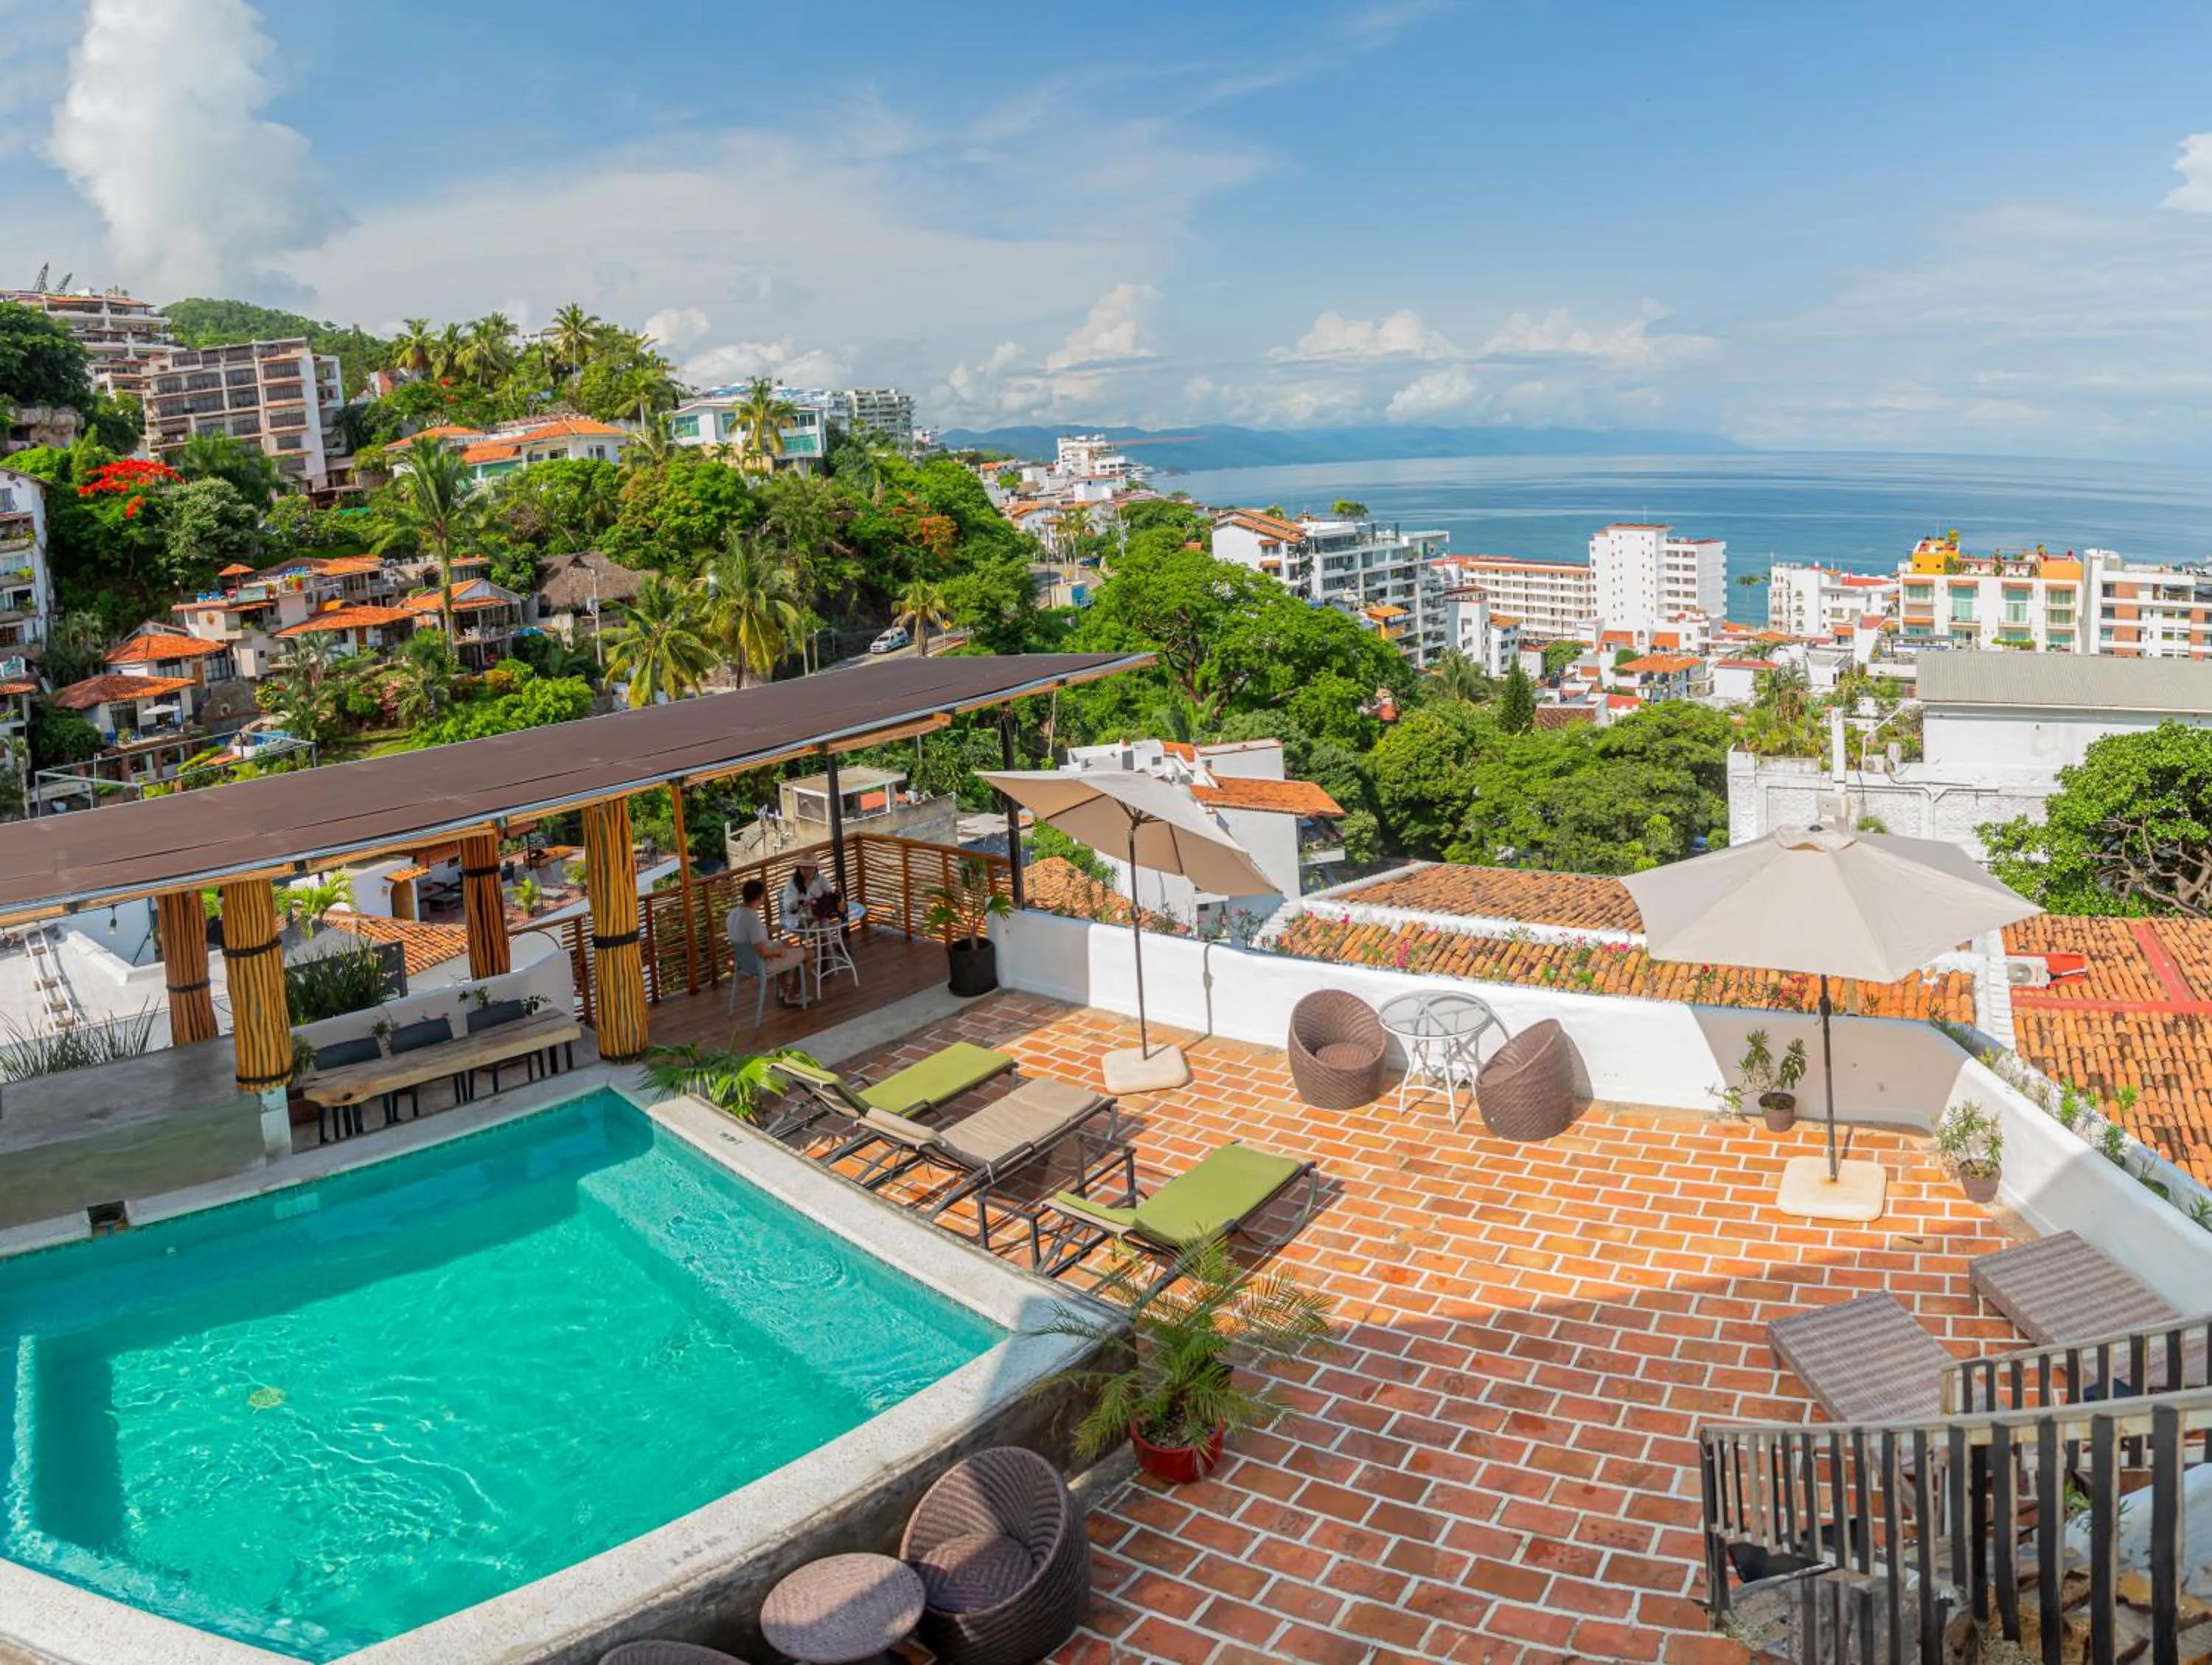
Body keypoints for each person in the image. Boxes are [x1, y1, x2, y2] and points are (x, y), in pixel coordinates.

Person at [728, 877, 806, 1006]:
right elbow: (764, 953)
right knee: (809, 954)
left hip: (746, 963)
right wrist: (779, 953)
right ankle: (792, 996)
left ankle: (784, 990)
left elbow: (752, 935)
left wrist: (776, 928)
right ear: (761, 897)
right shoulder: (752, 919)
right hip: (761, 964)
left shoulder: (734, 915)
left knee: (786, 943)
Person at [779, 860, 831, 928]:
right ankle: (822, 935)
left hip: (819, 914)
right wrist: (800, 903)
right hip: (798, 917)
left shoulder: (821, 879)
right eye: (804, 868)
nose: (808, 871)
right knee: (818, 923)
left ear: (816, 868)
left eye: (811, 868)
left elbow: (830, 895)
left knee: (823, 919)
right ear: (799, 869)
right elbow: (788, 904)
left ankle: (823, 936)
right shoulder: (792, 881)